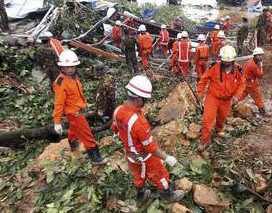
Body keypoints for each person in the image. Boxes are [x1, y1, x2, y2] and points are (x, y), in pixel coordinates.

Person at [111, 75, 185, 204]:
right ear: (139, 98)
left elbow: (115, 128)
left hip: (129, 154)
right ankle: (168, 195)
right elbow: (150, 148)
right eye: (144, 99)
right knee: (160, 173)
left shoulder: (117, 111)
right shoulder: (139, 122)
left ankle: (141, 196)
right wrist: (166, 158)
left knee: (138, 175)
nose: (145, 101)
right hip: (144, 155)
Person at [53, 50, 108, 165]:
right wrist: (57, 122)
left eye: (72, 67)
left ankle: (73, 145)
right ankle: (96, 158)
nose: (70, 69)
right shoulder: (60, 82)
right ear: (62, 66)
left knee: (74, 130)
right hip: (73, 113)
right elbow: (59, 103)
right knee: (87, 135)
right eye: (67, 67)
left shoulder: (74, 77)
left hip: (78, 109)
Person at [197, 45, 246, 151]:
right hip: (212, 97)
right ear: (221, 59)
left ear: (233, 60)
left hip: (227, 99)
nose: (227, 63)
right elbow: (203, 80)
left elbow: (242, 83)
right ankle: (204, 140)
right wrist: (200, 93)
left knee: (222, 117)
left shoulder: (238, 69)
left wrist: (237, 96)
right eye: (225, 61)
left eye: (229, 62)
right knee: (208, 119)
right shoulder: (215, 66)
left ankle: (218, 130)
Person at [239, 47, 265, 116]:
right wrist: (261, 67)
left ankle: (231, 105)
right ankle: (262, 110)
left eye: (261, 55)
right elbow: (260, 76)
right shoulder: (253, 65)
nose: (261, 57)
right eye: (259, 55)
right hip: (250, 84)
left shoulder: (250, 62)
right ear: (255, 55)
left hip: (245, 82)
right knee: (258, 97)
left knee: (241, 96)